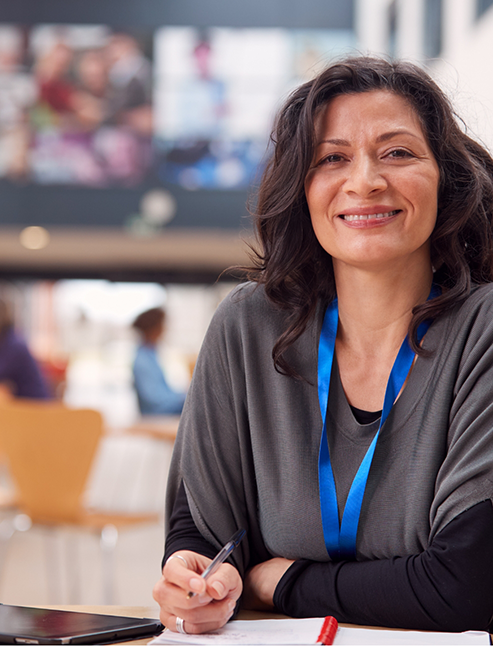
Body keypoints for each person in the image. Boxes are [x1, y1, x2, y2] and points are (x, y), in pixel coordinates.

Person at [153, 56, 493, 634]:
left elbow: (467, 585)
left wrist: (281, 580)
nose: (364, 181)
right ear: (303, 188)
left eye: (398, 153)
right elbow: (205, 531)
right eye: (332, 158)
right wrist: (195, 578)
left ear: (447, 179)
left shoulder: (483, 329)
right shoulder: (245, 327)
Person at [132, 308, 186, 416]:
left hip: (164, 411)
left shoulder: (151, 354)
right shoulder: (142, 361)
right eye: (163, 325)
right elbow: (155, 400)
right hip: (158, 415)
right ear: (154, 328)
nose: (165, 329)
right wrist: (185, 398)